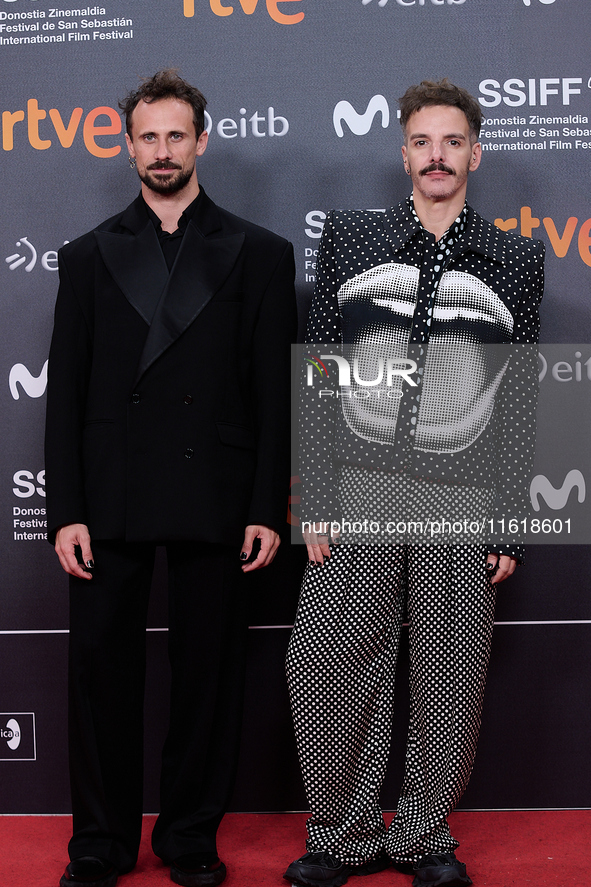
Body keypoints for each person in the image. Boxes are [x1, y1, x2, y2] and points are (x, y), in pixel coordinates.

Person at [284, 79, 544, 887]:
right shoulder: (354, 240)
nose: (437, 155)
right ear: (403, 154)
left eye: (451, 141)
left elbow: (522, 392)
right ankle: (343, 833)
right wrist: (315, 495)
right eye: (422, 142)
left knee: (449, 668)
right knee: (323, 660)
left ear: (474, 152)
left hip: (462, 493)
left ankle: (424, 835)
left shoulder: (515, 255)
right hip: (358, 485)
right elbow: (320, 364)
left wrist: (505, 519)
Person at [45, 69, 296, 887]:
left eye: (175, 135)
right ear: (128, 148)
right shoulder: (85, 257)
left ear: (202, 140)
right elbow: (68, 393)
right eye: (147, 137)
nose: (161, 150)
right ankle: (102, 840)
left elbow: (272, 394)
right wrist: (66, 510)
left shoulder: (260, 252)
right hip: (111, 490)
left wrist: (266, 504)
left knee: (208, 675)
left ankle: (189, 835)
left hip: (215, 491)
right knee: (99, 675)